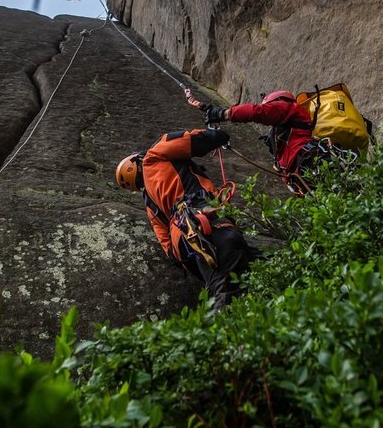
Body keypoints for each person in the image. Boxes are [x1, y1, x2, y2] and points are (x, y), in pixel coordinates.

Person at [115, 127, 261, 311]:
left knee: (236, 278)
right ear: (137, 160)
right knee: (229, 290)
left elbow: (168, 248)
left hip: (189, 245)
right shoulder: (154, 155)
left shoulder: (151, 206)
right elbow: (193, 140)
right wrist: (218, 135)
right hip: (203, 221)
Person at [202, 91, 328, 195]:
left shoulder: (288, 108)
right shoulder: (284, 132)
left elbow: (258, 112)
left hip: (307, 161)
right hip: (301, 173)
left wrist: (223, 114)